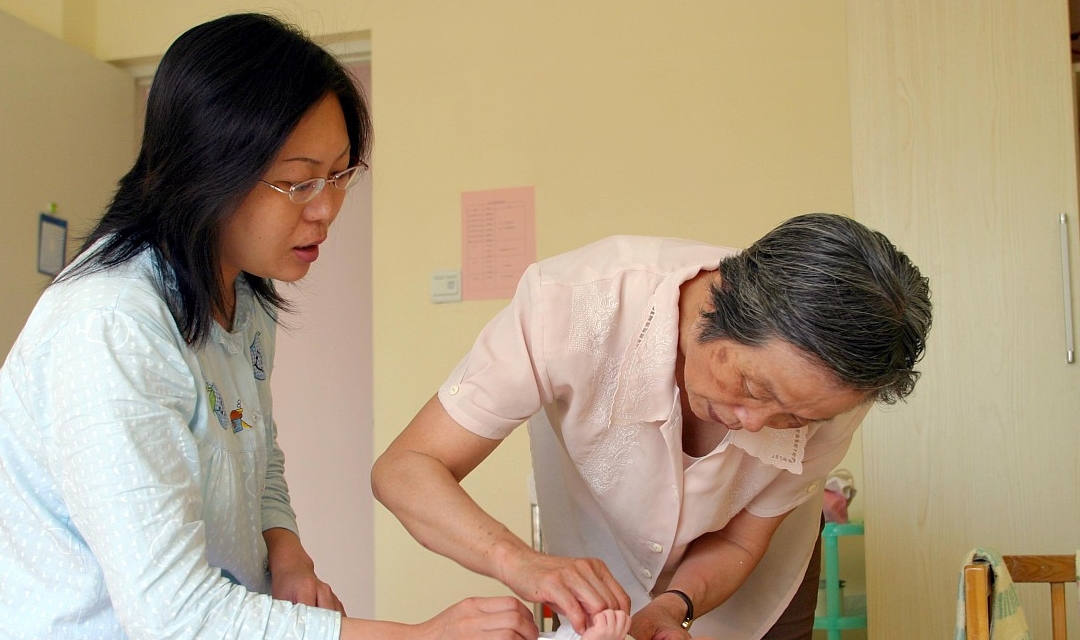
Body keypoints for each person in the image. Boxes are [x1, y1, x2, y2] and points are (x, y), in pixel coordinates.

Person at [0, 13, 535, 640]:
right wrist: (421, 637)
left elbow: (254, 451)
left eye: (339, 175)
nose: (327, 208)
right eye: (296, 182)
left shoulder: (240, 293)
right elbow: (176, 619)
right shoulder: (111, 330)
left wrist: (285, 549)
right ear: (204, 169)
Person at [371, 214, 932, 640]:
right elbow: (406, 469)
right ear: (725, 299)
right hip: (601, 567)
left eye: (796, 419)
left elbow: (739, 539)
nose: (758, 425)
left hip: (750, 584)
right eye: (755, 389)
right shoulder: (571, 306)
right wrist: (520, 562)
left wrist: (675, 606)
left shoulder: (838, 390)